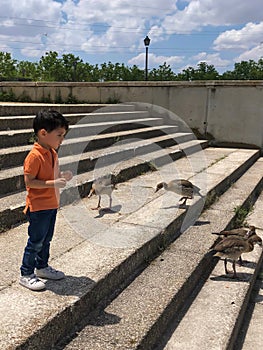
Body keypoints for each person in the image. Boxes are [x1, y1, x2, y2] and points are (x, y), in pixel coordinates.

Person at [19, 109, 73, 291]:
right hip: (38, 206)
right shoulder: (34, 156)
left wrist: (61, 175)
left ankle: (42, 267)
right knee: (35, 241)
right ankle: (26, 273)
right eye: (59, 135)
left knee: (46, 239)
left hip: (51, 204)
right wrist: (53, 182)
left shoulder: (51, 152)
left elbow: (51, 175)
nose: (61, 140)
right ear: (43, 133)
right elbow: (30, 182)